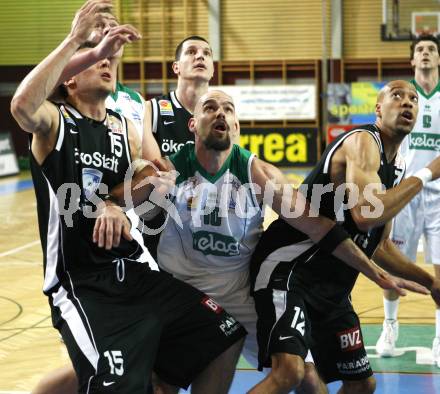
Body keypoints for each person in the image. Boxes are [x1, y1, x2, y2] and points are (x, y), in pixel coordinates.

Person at [100, 88, 425, 393]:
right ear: (192, 124)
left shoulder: (259, 174)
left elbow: (320, 228)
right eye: (210, 108)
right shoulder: (167, 172)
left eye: (228, 109)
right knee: (164, 385)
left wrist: (374, 272)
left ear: (237, 125)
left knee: (307, 379)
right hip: (186, 293)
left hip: (240, 292)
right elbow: (113, 199)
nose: (220, 114)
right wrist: (111, 209)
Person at [11, 2, 247, 393]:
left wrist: (119, 201)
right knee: (119, 384)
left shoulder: (126, 127)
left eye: (109, 62)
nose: (105, 65)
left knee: (225, 333)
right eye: (93, 62)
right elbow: (21, 105)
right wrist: (76, 41)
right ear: (68, 80)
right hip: (81, 283)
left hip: (135, 272)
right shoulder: (55, 123)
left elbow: (159, 172)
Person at [247, 80, 440, 394]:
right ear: (378, 109)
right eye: (397, 96)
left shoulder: (399, 166)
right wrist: (429, 172)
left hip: (333, 287)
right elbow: (366, 215)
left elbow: (380, 245)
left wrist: (431, 282)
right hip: (290, 271)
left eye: (413, 99)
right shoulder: (363, 141)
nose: (407, 103)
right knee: (292, 375)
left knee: (362, 384)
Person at [376, 35, 440, 363]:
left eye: (431, 49)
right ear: (413, 60)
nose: (426, 53)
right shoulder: (402, 96)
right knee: (394, 265)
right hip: (404, 195)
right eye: (420, 50)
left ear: (438, 58)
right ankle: (390, 325)